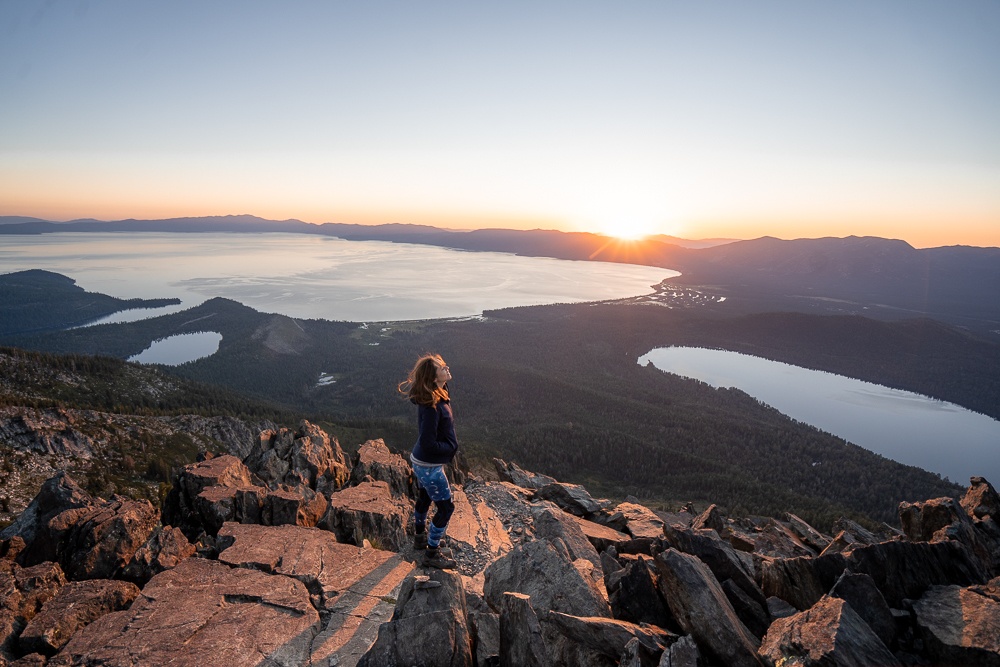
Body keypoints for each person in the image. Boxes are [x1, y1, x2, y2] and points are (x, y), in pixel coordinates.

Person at [398, 353, 458, 569]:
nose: (446, 367)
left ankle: (419, 536)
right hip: (429, 466)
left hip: (422, 462)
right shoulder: (432, 406)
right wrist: (451, 448)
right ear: (433, 378)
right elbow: (427, 442)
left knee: (424, 496)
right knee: (446, 508)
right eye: (441, 367)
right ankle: (432, 553)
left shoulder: (438, 393)